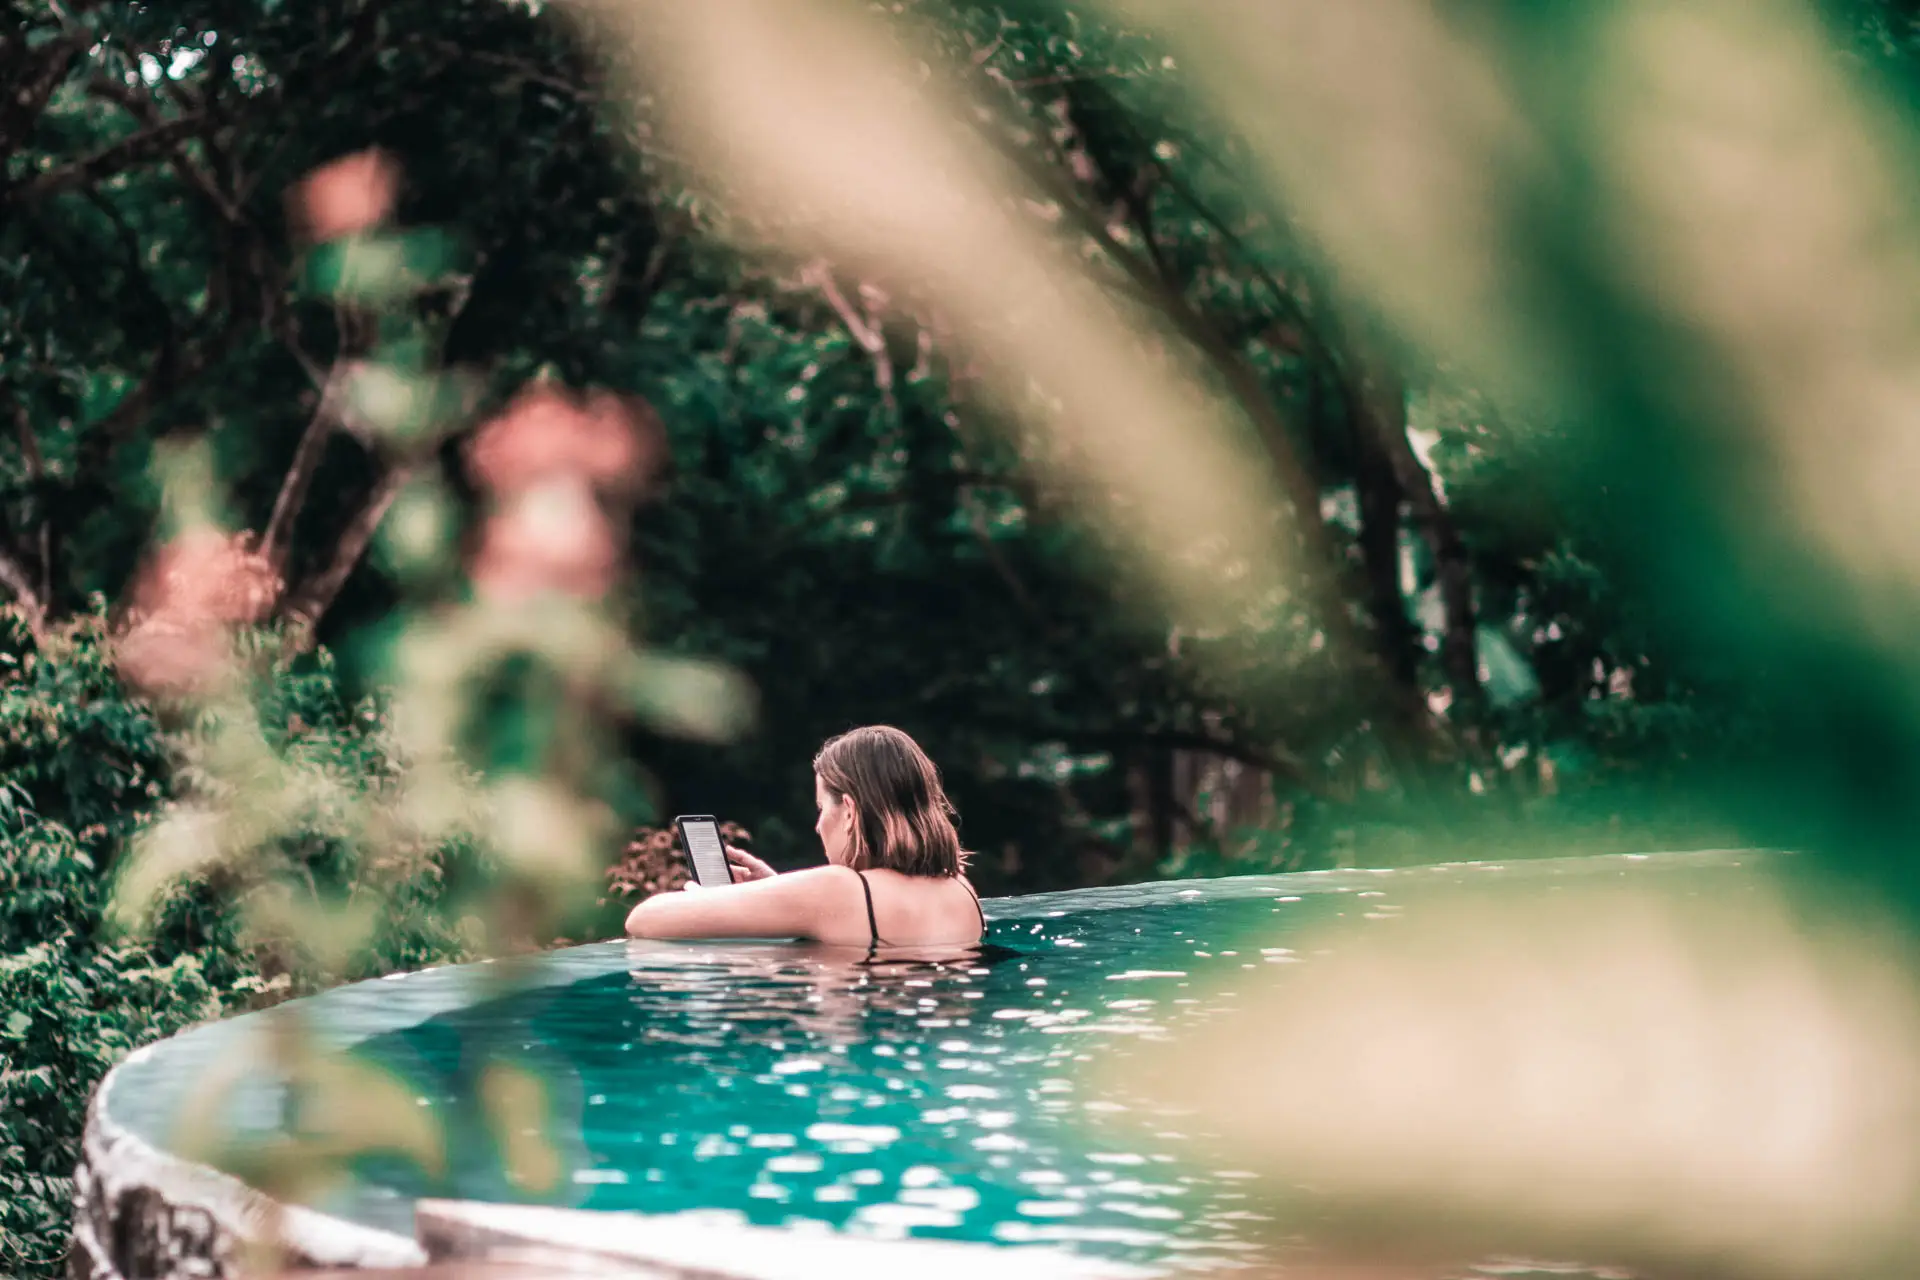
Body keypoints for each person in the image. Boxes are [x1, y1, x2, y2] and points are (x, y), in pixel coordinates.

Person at [625, 725, 986, 951]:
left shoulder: (838, 889)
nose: (817, 825)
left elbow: (644, 919)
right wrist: (777, 890)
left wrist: (711, 901)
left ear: (848, 810)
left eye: (820, 808)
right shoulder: (961, 889)